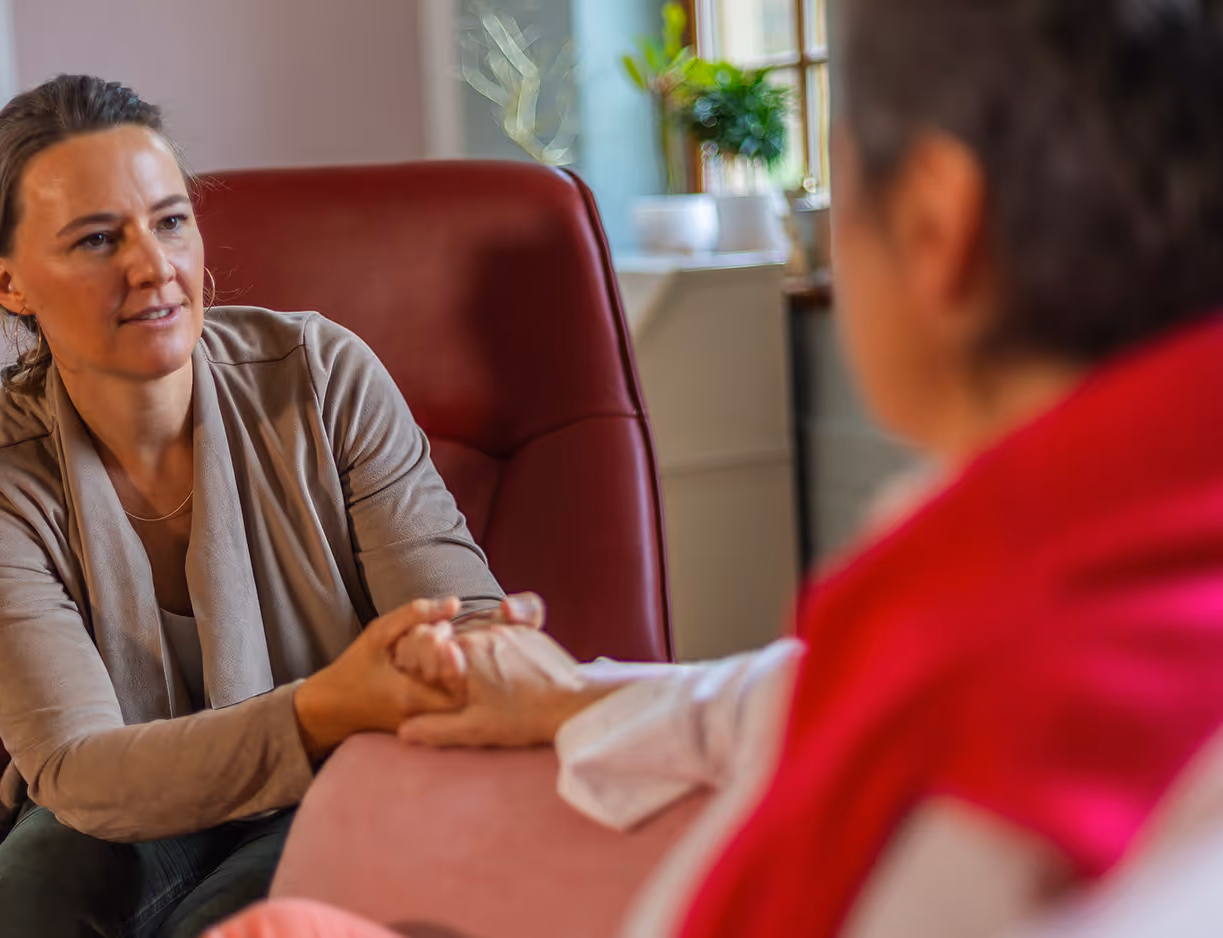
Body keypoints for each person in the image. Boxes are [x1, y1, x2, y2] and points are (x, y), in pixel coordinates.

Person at [203, 0, 1223, 935]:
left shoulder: (1005, 711)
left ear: (933, 226)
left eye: (839, 170)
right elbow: (787, 691)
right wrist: (574, 697)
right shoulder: (1082, 552)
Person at [0, 74, 529, 938]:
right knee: (22, 910)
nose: (155, 267)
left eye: (171, 220)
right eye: (98, 239)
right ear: (8, 282)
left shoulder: (324, 375)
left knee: (226, 923)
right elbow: (76, 770)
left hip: (349, 765)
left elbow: (464, 620)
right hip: (127, 805)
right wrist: (326, 702)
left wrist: (449, 662)